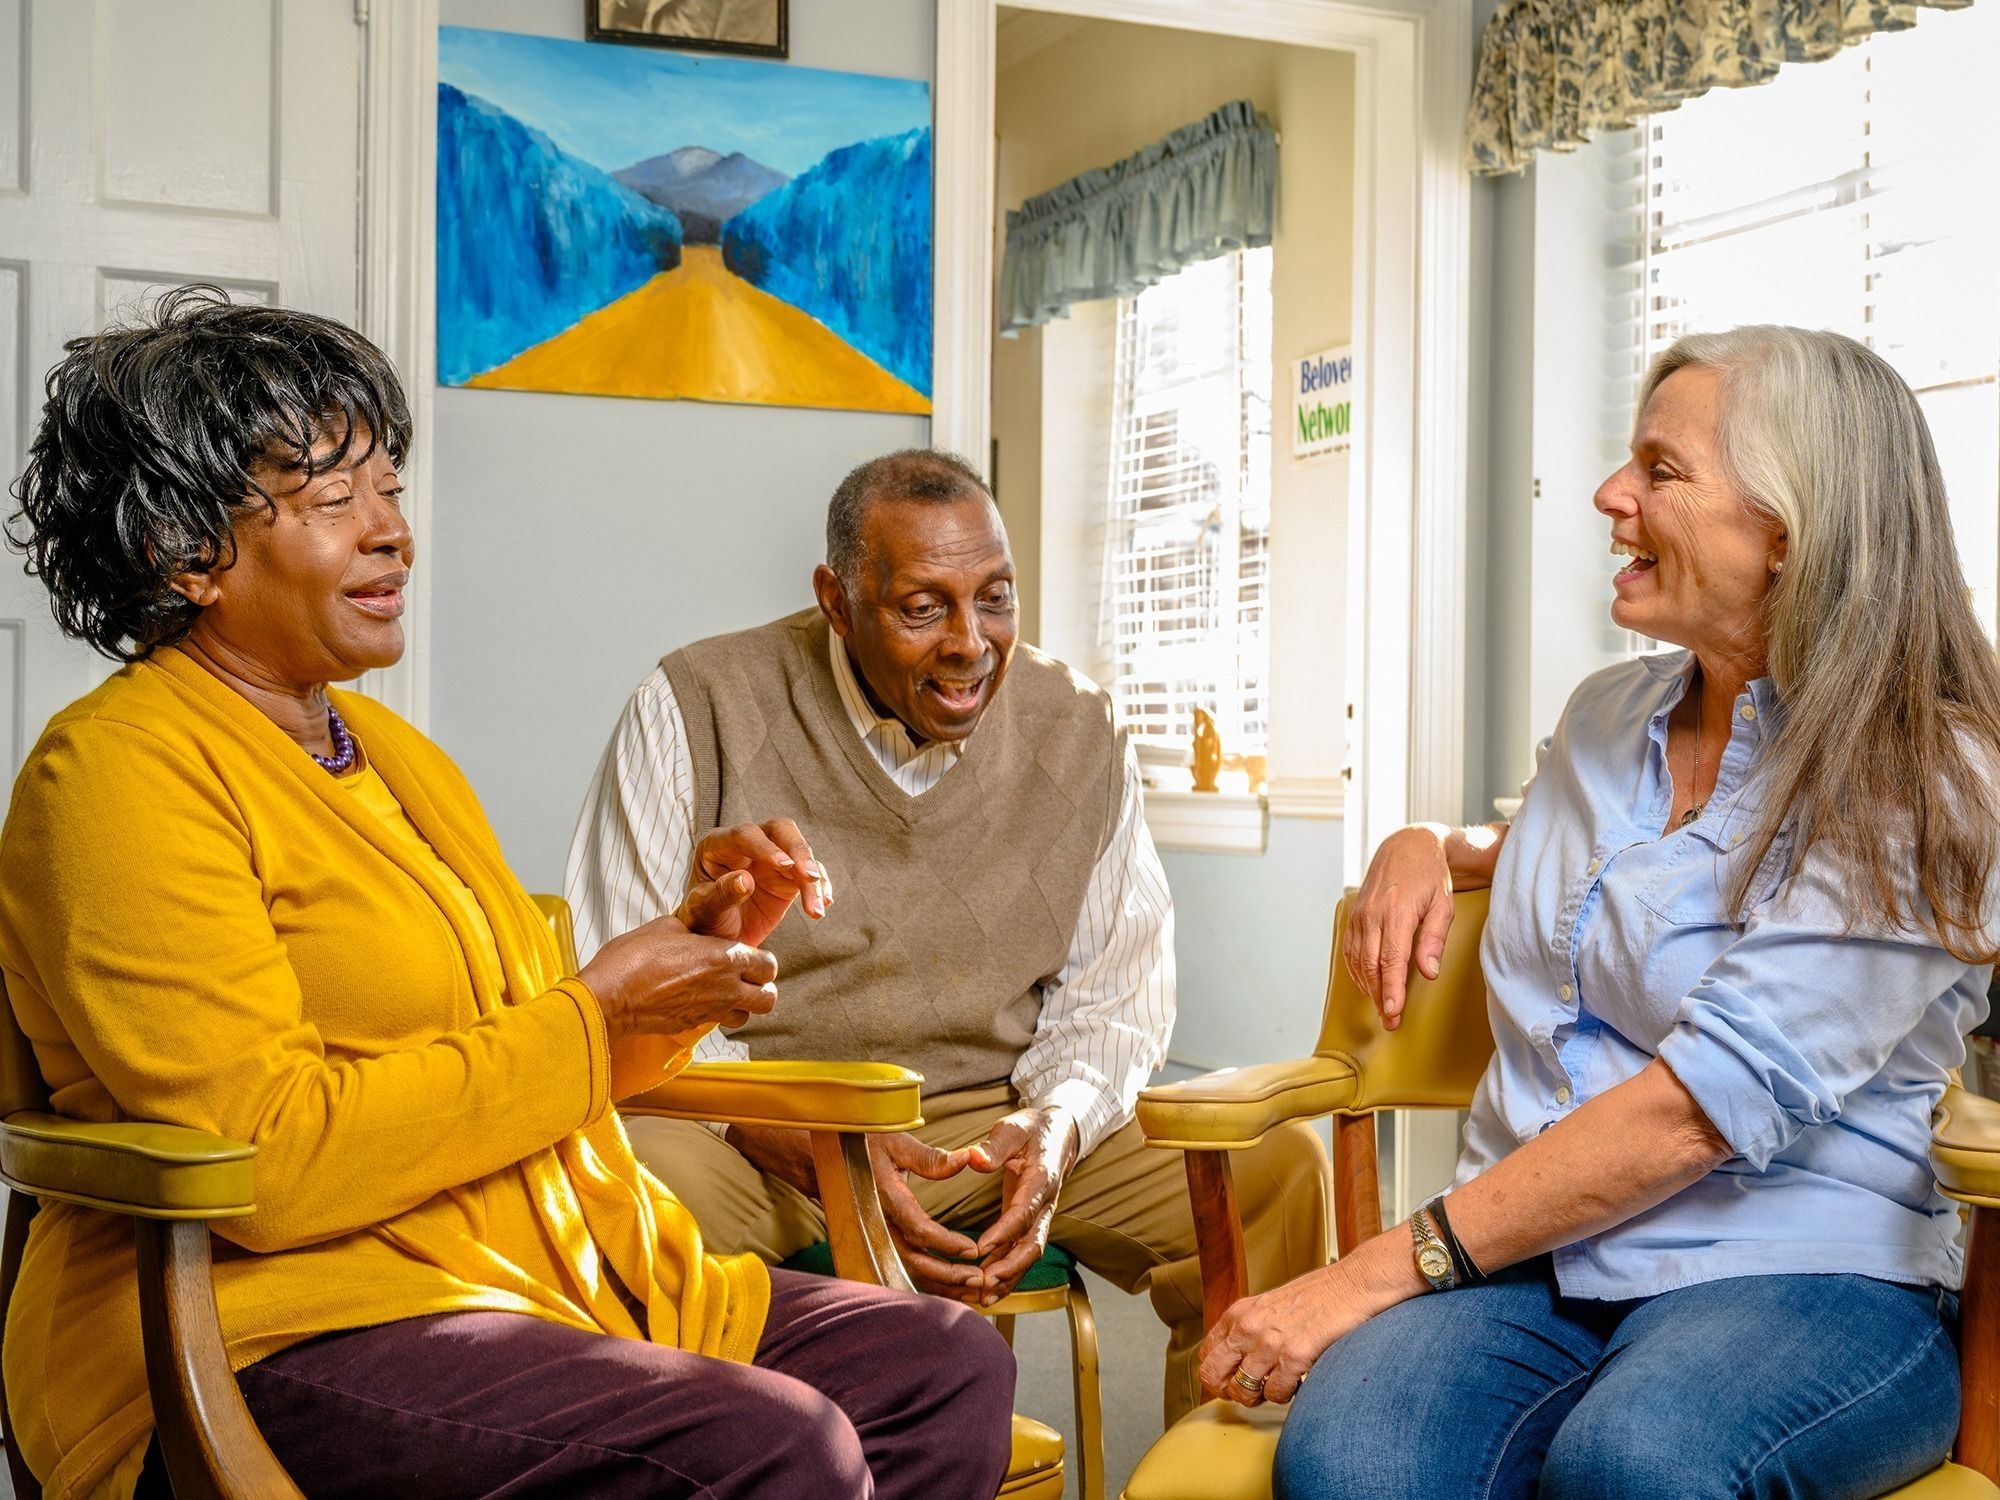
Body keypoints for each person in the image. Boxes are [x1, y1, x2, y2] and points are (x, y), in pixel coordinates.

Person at [0, 289, 1014, 1500]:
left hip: (520, 1274)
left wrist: (679, 966)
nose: (393, 535)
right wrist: (592, 1013)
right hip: (267, 1325)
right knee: (771, 1442)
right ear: (183, 552)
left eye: (389, 490)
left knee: (941, 1362)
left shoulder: (396, 759)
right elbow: (262, 1162)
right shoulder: (115, 773)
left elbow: (522, 1058)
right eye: (336, 502)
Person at [1198, 326, 1999, 1499]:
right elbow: (1590, 866)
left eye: (1659, 470)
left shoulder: (1929, 777)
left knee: (1635, 1465)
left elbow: (1698, 1111)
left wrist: (1373, 1270)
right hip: (1536, 1261)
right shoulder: (1603, 716)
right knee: (1350, 1462)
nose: (1607, 493)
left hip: (1803, 1265)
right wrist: (1431, 843)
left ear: (1786, 530)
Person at [567, 448, 1331, 1420]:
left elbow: (1115, 996)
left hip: (991, 1125)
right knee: (614, 1185)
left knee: (1272, 1169)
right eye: (922, 608)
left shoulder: (1077, 725)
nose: (971, 643)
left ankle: (1224, 1472)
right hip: (761, 1132)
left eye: (995, 599)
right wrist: (811, 1143)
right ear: (837, 602)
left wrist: (1052, 1128)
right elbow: (622, 1013)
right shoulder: (692, 705)